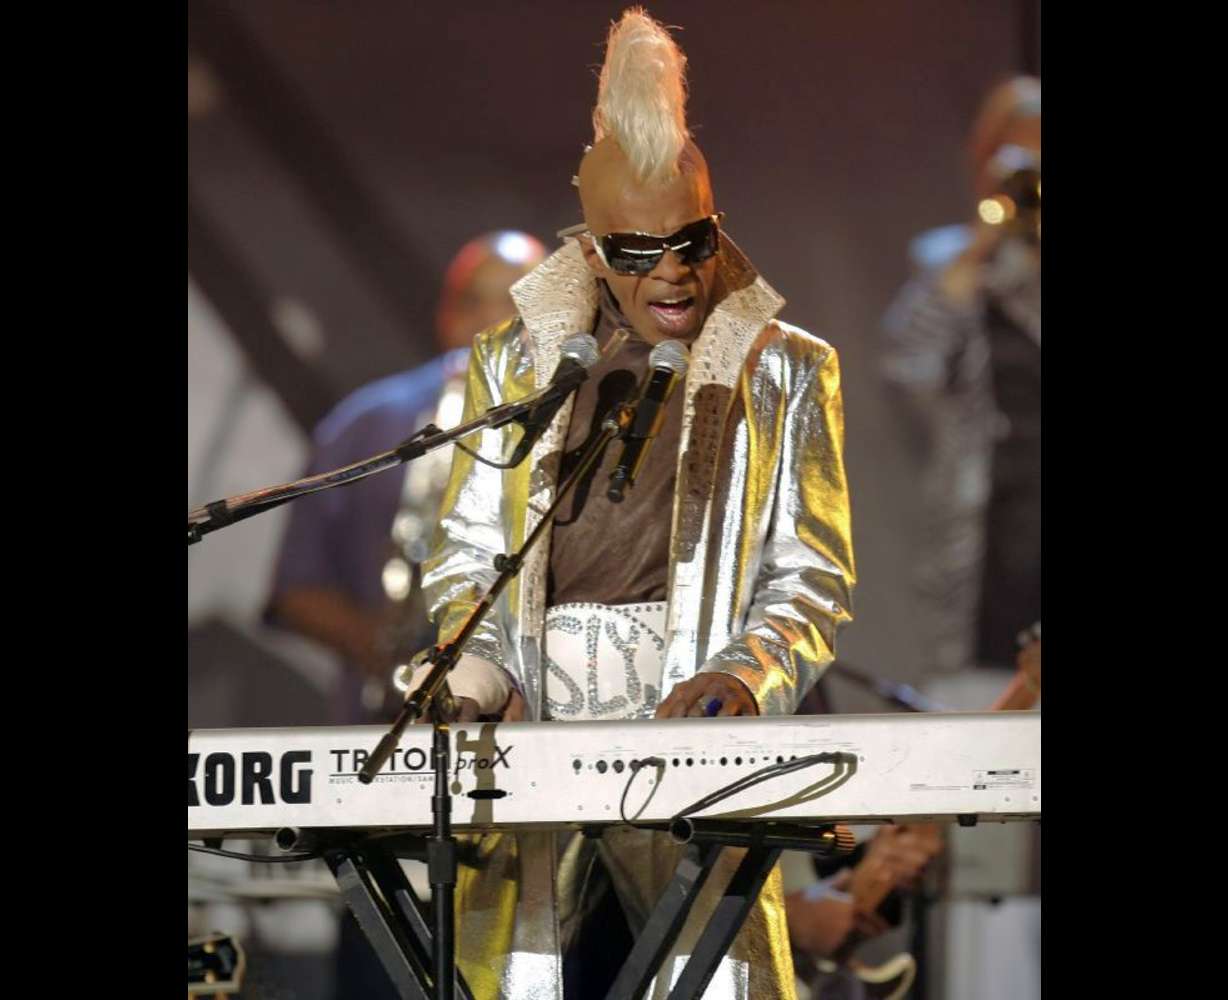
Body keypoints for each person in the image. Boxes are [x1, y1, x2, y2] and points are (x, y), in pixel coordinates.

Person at [399, 9, 856, 999]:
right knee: (510, 981)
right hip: (533, 718)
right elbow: (470, 550)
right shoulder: (515, 362)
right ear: (596, 250)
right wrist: (477, 664)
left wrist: (742, 675)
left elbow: (811, 577)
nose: (677, 271)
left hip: (690, 709)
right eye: (643, 250)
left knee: (717, 978)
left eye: (693, 241)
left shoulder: (784, 368)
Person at [265, 231, 546, 725]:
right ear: (448, 314)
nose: (495, 322)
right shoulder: (367, 423)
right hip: (384, 717)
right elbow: (298, 586)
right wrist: (380, 645)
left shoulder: (580, 421)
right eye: (477, 303)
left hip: (531, 714)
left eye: (518, 306)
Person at [881, 77, 1041, 676]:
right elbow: (909, 370)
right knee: (988, 696)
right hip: (991, 537)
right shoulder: (950, 261)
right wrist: (981, 247)